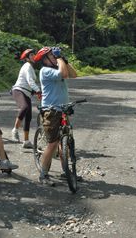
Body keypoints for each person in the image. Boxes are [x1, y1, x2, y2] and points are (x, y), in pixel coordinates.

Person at [34, 46, 77, 186]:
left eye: (54, 56)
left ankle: (66, 172)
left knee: (64, 141)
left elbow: (73, 74)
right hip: (51, 111)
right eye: (51, 56)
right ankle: (43, 175)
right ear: (44, 60)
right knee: (52, 143)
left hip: (63, 109)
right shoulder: (45, 71)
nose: (54, 58)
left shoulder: (57, 68)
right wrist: (59, 59)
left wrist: (63, 60)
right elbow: (64, 74)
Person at [11, 49, 41, 149]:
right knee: (24, 107)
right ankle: (14, 130)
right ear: (27, 58)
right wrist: (38, 90)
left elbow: (29, 83)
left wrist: (34, 91)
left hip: (26, 93)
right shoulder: (27, 66)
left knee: (28, 115)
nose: (34, 56)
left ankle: (26, 141)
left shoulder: (31, 68)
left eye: (34, 54)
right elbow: (29, 81)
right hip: (19, 90)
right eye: (31, 55)